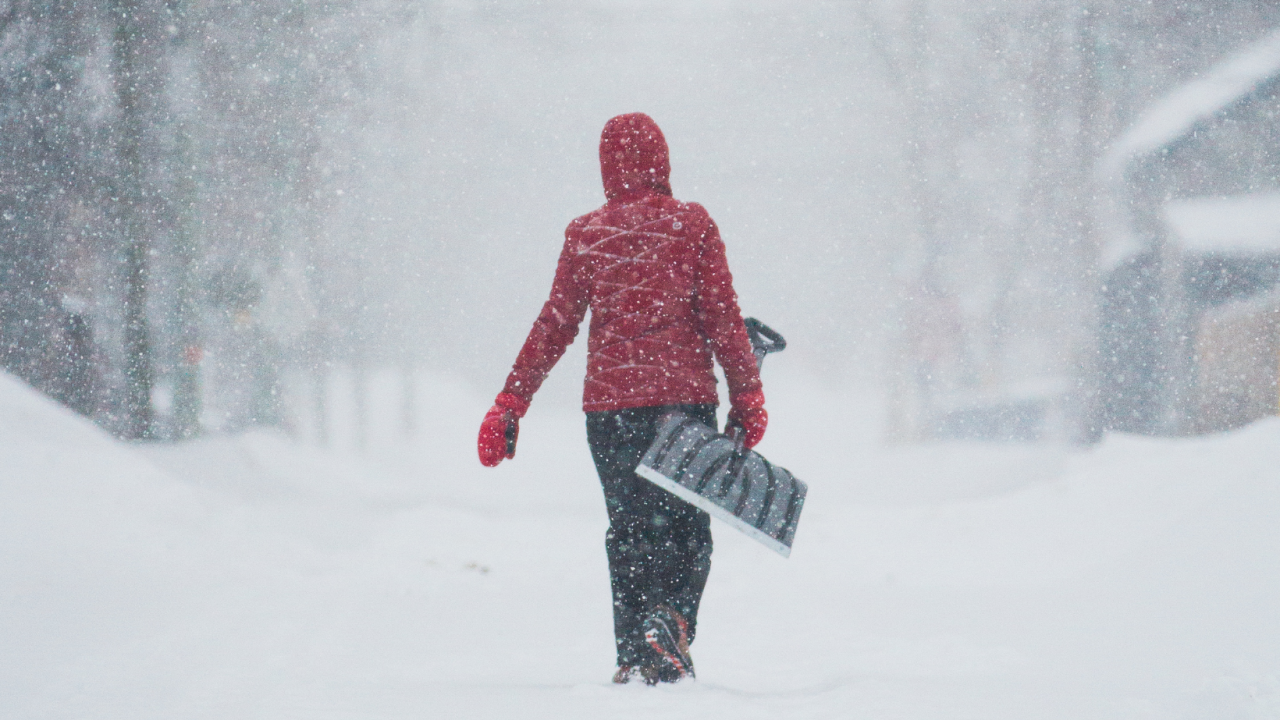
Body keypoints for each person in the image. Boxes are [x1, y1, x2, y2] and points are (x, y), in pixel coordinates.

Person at [477, 112, 767, 685]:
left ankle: (634, 654)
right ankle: (672, 621)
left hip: (609, 414)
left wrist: (511, 402)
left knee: (629, 528)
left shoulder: (586, 233)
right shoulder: (693, 225)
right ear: (662, 160)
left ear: (606, 166)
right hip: (680, 407)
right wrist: (748, 393)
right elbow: (723, 321)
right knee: (686, 528)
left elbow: (555, 324)